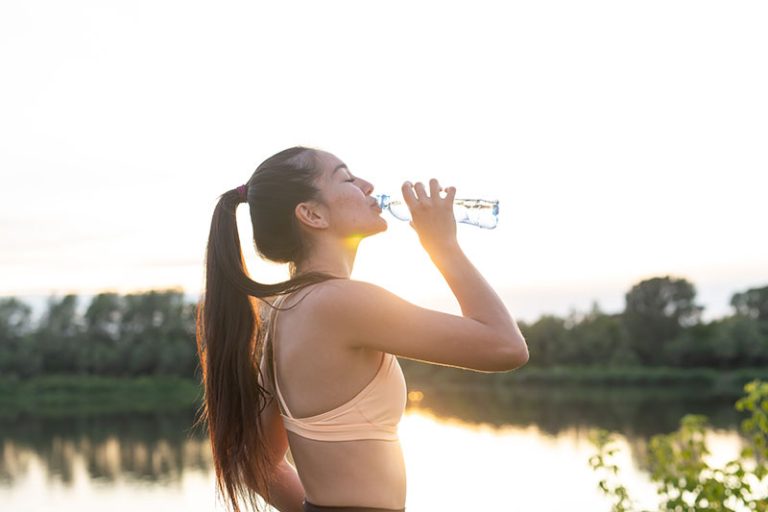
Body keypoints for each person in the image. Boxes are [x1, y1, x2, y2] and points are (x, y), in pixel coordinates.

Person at [195, 146, 529, 512]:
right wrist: (443, 246)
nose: (368, 186)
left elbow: (253, 461)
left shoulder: (288, 310)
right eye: (348, 178)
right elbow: (505, 346)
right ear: (312, 214)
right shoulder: (340, 302)